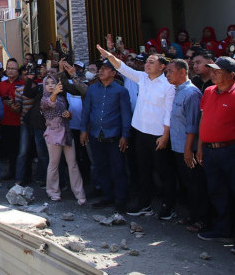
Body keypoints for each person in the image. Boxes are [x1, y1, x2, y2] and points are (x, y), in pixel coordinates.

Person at [96, 45, 175, 218]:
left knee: (163, 172)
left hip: (158, 135)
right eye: (147, 61)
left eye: (152, 62)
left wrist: (165, 135)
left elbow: (169, 113)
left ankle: (169, 206)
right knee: (143, 170)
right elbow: (122, 68)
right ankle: (144, 203)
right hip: (140, 132)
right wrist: (109, 56)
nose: (147, 64)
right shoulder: (143, 78)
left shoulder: (168, 85)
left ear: (162, 67)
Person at [80, 60, 131, 214]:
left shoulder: (121, 91)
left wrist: (125, 135)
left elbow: (125, 114)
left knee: (118, 168)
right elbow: (86, 111)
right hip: (96, 134)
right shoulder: (92, 89)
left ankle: (120, 200)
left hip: (114, 135)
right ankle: (107, 196)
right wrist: (83, 130)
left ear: (114, 73)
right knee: (101, 167)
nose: (101, 71)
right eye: (100, 68)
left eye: (105, 69)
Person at [164, 59, 209, 232]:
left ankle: (202, 219)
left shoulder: (191, 93)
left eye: (170, 71)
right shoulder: (176, 91)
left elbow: (193, 125)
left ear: (183, 72)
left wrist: (188, 149)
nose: (167, 75)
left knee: (196, 185)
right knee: (187, 185)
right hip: (177, 147)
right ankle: (193, 215)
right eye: (166, 72)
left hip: (188, 148)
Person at [196, 56, 235, 245]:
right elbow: (204, 120)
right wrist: (200, 146)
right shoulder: (209, 91)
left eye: (218, 71)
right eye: (212, 69)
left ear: (231, 75)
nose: (213, 73)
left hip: (230, 150)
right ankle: (223, 229)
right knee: (216, 190)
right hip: (210, 151)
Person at [40, 74, 86, 205]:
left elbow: (66, 112)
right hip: (53, 133)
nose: (50, 85)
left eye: (52, 83)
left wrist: (68, 114)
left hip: (67, 132)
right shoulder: (44, 99)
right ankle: (53, 192)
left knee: (73, 164)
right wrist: (54, 93)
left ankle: (79, 193)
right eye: (47, 83)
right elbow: (49, 104)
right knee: (53, 164)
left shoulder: (62, 98)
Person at [0, 58, 24, 180]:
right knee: (9, 150)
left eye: (13, 69)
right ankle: (11, 172)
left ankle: (21, 175)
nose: (11, 71)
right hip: (5, 122)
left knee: (21, 151)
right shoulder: (1, 85)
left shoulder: (23, 84)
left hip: (20, 123)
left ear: (18, 71)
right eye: (8, 69)